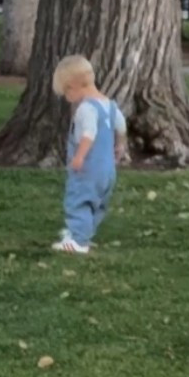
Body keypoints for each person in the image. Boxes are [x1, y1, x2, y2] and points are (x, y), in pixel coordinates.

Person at [51, 54, 126, 255]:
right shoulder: (110, 105)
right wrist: (120, 146)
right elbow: (121, 126)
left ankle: (77, 241)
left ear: (74, 86)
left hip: (88, 168)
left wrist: (79, 157)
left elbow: (88, 135)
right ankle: (83, 234)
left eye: (66, 92)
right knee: (97, 204)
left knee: (79, 200)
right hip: (107, 170)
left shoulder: (86, 109)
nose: (67, 99)